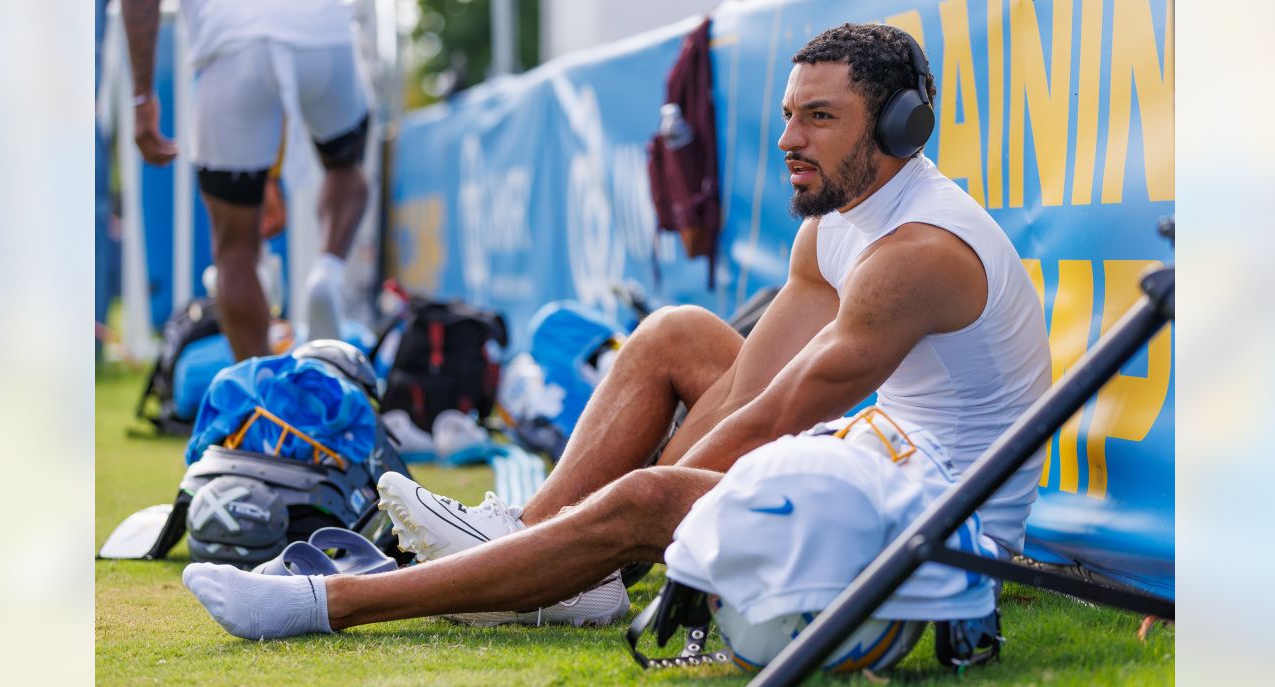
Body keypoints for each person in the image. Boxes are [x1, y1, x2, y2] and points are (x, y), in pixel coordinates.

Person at [182, 23, 1051, 640]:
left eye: (819, 117)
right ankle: (533, 549)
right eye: (789, 114)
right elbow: (746, 387)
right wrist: (569, 542)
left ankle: (332, 602)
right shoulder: (835, 219)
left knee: (647, 500)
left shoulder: (921, 252)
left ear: (903, 127)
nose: (790, 139)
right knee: (676, 332)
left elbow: (766, 424)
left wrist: (626, 522)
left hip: (948, 533)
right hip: (875, 460)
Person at [121, 0, 371, 360]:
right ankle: (327, 273)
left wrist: (142, 95)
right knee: (346, 169)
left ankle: (262, 395)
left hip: (235, 48)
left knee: (234, 252)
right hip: (327, 35)